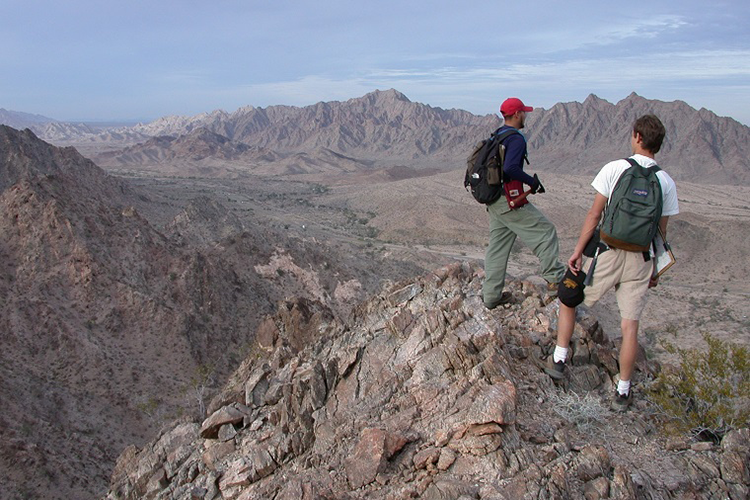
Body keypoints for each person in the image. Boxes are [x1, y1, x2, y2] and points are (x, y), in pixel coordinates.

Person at [545, 114, 679, 412]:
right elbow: (661, 231)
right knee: (630, 326)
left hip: (607, 253)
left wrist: (578, 251)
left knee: (569, 298)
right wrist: (655, 269)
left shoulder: (616, 169)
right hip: (642, 259)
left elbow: (594, 215)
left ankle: (559, 358)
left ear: (636, 137)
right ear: (658, 144)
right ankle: (622, 391)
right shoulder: (665, 182)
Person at [482, 97, 565, 309]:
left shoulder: (498, 135)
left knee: (498, 247)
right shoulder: (516, 138)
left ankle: (491, 297)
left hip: (494, 200)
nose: (525, 116)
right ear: (517, 114)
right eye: (524, 112)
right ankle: (556, 280)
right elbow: (510, 168)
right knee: (545, 231)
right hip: (507, 200)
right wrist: (532, 182)